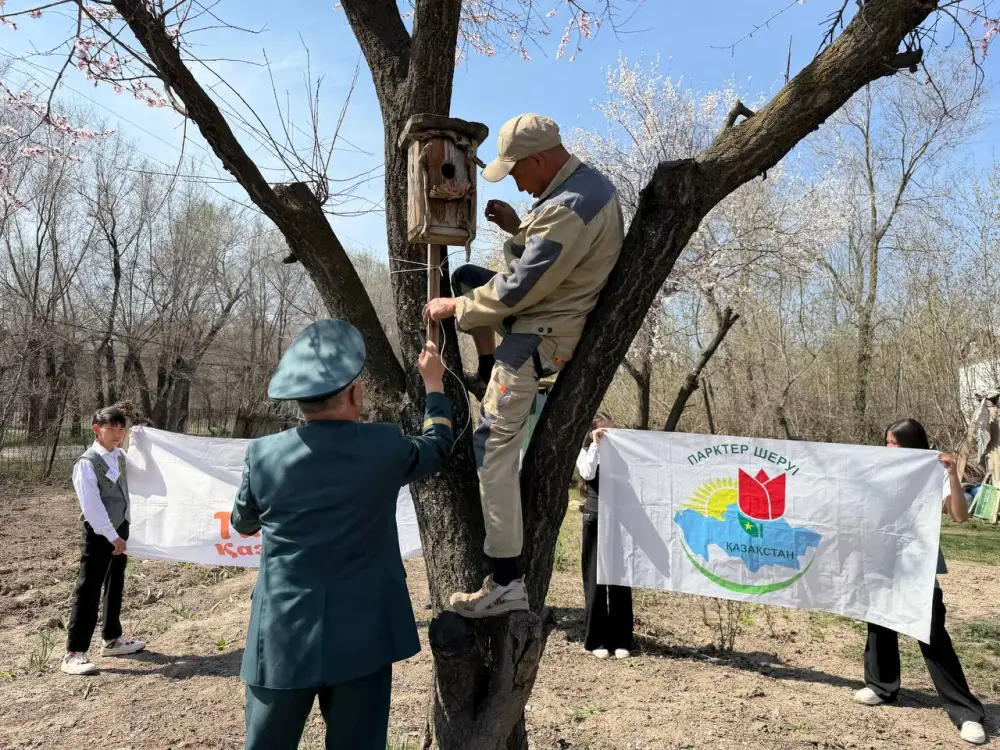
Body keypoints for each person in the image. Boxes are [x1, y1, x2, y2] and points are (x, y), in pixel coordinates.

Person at [423, 113, 624, 618]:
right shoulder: (578, 188)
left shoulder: (570, 208)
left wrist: (458, 309)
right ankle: (489, 360)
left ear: (538, 158)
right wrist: (517, 227)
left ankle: (507, 580)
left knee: (490, 448)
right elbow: (547, 254)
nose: (513, 179)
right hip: (544, 315)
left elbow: (521, 287)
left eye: (515, 171)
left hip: (541, 332)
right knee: (469, 273)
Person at [231, 319, 453, 750]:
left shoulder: (262, 455)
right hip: (364, 635)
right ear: (354, 393)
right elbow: (439, 444)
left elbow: (244, 523)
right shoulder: (385, 446)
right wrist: (433, 385)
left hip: (282, 636)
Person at [853, 418, 986, 746]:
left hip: (917, 563)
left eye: (894, 443)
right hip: (881, 558)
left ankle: (965, 710)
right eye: (886, 442)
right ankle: (883, 686)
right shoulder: (878, 471)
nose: (888, 448)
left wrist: (952, 475)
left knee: (931, 633)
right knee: (879, 623)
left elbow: (960, 515)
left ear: (912, 445)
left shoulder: (933, 472)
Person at [61, 406, 147, 676]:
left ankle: (112, 638)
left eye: (122, 429)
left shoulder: (119, 456)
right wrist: (111, 536)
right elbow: (92, 505)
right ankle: (74, 652)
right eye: (112, 429)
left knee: (115, 583)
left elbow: (142, 474)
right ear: (96, 430)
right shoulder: (87, 463)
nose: (118, 434)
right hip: (100, 534)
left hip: (120, 530)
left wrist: (148, 443)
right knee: (88, 590)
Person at [576, 412, 634, 659]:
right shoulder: (584, 452)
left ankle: (621, 638)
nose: (609, 435)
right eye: (603, 431)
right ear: (592, 432)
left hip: (621, 518)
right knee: (595, 579)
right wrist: (596, 444)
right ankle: (596, 640)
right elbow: (588, 474)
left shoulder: (623, 452)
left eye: (612, 430)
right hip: (596, 517)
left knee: (620, 579)